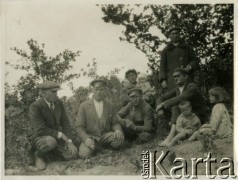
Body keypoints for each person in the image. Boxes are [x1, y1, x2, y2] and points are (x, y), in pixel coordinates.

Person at [29, 81, 78, 170]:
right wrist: (61, 135)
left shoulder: (58, 103)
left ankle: (51, 153)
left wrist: (70, 141)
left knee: (73, 155)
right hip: (39, 137)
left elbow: (65, 122)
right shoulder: (36, 106)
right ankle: (38, 155)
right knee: (51, 142)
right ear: (43, 93)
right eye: (53, 92)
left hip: (55, 137)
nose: (56, 94)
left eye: (57, 91)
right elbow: (40, 129)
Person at [156, 67, 208, 147]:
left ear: (186, 77)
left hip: (197, 115)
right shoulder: (177, 89)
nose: (176, 78)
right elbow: (161, 98)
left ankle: (170, 136)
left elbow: (180, 98)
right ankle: (172, 135)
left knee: (175, 107)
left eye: (178, 76)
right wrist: (159, 108)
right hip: (185, 115)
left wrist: (162, 104)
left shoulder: (191, 87)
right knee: (175, 108)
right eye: (174, 77)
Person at [76, 79, 124, 159]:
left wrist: (118, 130)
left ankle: (101, 147)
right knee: (84, 155)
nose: (99, 92)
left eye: (101, 89)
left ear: (105, 90)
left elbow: (115, 122)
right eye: (96, 89)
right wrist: (86, 138)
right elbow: (79, 127)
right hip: (91, 137)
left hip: (105, 136)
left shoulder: (110, 105)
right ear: (92, 90)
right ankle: (96, 148)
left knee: (119, 141)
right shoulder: (84, 106)